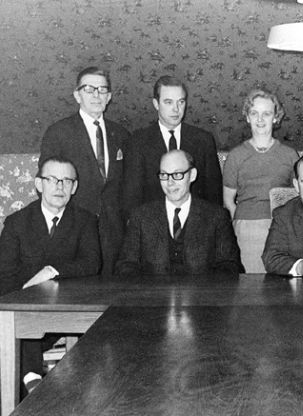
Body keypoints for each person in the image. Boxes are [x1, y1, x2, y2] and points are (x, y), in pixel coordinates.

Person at [0, 156, 100, 394]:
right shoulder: (16, 223)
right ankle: (32, 381)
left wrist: (51, 271)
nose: (60, 186)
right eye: (52, 179)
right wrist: (29, 291)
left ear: (74, 187)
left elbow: (92, 263)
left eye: (67, 181)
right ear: (39, 184)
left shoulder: (85, 221)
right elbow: (4, 274)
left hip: (64, 310)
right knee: (21, 321)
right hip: (23, 308)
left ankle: (35, 383)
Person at [40, 66, 130, 276]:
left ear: (109, 97)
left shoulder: (122, 135)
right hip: (74, 231)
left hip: (113, 234)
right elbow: (45, 185)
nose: (96, 95)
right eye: (89, 89)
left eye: (102, 90)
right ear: (77, 95)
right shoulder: (58, 133)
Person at [116, 150, 242, 276]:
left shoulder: (216, 217)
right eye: (164, 175)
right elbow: (126, 266)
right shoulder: (141, 217)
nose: (170, 182)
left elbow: (230, 266)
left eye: (177, 174)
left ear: (192, 175)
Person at [121, 75, 222, 219]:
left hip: (196, 224)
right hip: (152, 224)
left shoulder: (203, 140)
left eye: (181, 102)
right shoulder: (138, 142)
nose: (176, 109)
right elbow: (131, 199)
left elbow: (214, 195)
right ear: (156, 104)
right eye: (168, 102)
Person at [222, 89, 298, 273]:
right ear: (247, 117)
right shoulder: (235, 156)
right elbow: (228, 201)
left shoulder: (290, 155)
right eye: (254, 113)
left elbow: (297, 198)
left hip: (281, 228)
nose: (260, 119)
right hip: (246, 230)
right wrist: (239, 228)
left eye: (267, 114)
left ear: (276, 117)